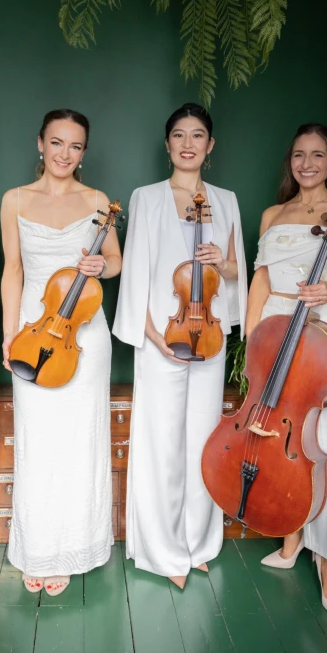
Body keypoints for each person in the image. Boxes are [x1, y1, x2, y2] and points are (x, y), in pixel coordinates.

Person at [113, 103, 248, 588]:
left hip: (208, 334)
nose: (187, 143)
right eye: (178, 135)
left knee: (203, 442)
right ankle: (163, 550)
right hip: (161, 337)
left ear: (210, 147)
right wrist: (155, 338)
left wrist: (223, 263)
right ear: (167, 144)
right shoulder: (146, 198)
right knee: (161, 444)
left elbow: (236, 270)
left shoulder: (227, 200)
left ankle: (198, 543)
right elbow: (136, 276)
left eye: (197, 136)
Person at [247, 123, 327, 622]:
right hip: (275, 336)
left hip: (323, 334)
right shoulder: (272, 215)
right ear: (290, 161)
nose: (307, 164)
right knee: (285, 441)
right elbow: (260, 281)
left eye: (317, 155)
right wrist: (250, 348)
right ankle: (293, 537)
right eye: (299, 155)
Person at [1, 109, 122, 596]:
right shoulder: (13, 200)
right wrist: (9, 335)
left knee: (78, 439)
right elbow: (13, 270)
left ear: (84, 152)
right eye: (57, 143)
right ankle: (37, 548)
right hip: (33, 330)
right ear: (40, 143)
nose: (64, 154)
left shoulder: (97, 202)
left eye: (75, 146)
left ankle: (74, 548)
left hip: (84, 335)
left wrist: (102, 264)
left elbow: (115, 262)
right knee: (38, 438)